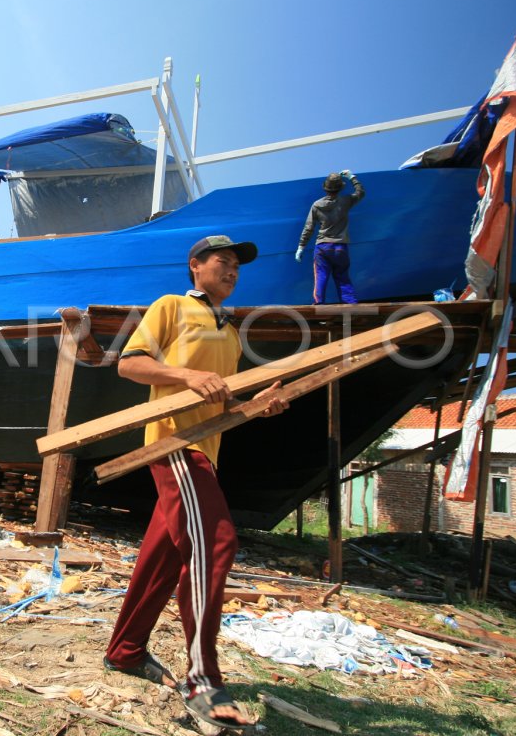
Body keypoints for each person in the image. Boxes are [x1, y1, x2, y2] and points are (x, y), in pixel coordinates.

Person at [103, 234, 287, 733]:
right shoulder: (172, 306)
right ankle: (203, 677)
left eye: (237, 267)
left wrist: (258, 406)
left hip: (207, 447)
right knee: (215, 542)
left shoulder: (228, 332)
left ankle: (125, 651)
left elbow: (221, 404)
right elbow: (129, 363)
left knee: (162, 557)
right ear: (195, 267)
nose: (232, 272)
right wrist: (184, 375)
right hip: (174, 443)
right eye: (223, 263)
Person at [295, 169, 365, 304]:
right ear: (340, 188)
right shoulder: (346, 201)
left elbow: (309, 228)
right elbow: (360, 193)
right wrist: (352, 177)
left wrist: (301, 247)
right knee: (342, 277)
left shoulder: (316, 205)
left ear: (325, 188)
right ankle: (350, 305)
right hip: (340, 247)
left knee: (321, 276)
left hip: (322, 247)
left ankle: (319, 305)